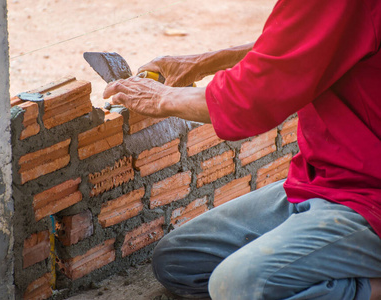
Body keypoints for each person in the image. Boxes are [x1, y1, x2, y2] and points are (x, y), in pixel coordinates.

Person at [103, 0, 381, 298]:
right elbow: (303, 43)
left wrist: (162, 98)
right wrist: (203, 62)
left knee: (238, 285)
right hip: (325, 178)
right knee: (179, 262)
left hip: (369, 193)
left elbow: (251, 101)